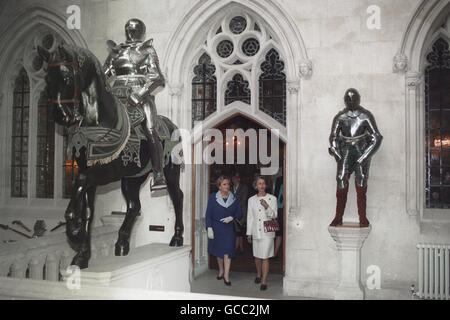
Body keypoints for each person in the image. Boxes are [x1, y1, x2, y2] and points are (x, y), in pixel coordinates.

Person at [104, 18, 167, 192]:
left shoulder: (147, 50)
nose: (130, 32)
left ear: (141, 31)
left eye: (134, 29)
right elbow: (103, 75)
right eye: (128, 29)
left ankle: (158, 172)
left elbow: (157, 77)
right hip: (117, 94)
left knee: (150, 129)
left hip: (140, 94)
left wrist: (140, 94)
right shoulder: (116, 52)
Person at [328, 88, 383, 227]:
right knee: (341, 179)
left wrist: (365, 155)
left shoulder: (365, 115)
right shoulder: (340, 117)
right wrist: (334, 149)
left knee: (361, 181)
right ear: (345, 100)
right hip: (345, 149)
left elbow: (376, 137)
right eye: (348, 99)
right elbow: (333, 136)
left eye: (353, 99)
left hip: (361, 149)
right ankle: (338, 217)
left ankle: (363, 218)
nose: (351, 101)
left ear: (359, 99)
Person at [205, 176, 243, 286]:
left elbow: (240, 212)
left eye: (228, 184)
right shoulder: (213, 197)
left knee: (228, 252)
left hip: (228, 229)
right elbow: (208, 214)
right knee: (219, 252)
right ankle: (221, 270)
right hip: (216, 228)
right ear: (219, 186)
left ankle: (226, 275)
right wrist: (209, 228)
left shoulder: (234, 197)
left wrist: (232, 217)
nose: (227, 186)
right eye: (224, 184)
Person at [247, 176, 277, 291]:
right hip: (256, 231)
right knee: (257, 256)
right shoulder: (251, 200)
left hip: (267, 232)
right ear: (256, 186)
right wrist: (249, 233)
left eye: (263, 183)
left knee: (265, 257)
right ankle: (258, 274)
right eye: (259, 183)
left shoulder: (272, 199)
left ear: (266, 185)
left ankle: (264, 280)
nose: (262, 186)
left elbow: (274, 215)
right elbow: (250, 217)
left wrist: (266, 206)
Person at [231, 173, 248, 254]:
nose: (234, 180)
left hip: (241, 211)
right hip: (232, 212)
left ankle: (239, 247)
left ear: (239, 179)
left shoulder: (244, 188)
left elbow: (243, 200)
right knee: (236, 231)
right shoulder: (231, 188)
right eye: (233, 178)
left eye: (235, 178)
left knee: (240, 230)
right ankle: (238, 247)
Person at [274, 176, 283, 258]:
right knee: (278, 233)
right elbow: (276, 194)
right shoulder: (279, 180)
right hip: (279, 210)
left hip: (287, 210)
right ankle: (275, 253)